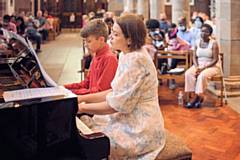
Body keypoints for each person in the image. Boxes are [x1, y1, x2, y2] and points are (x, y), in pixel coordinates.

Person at [77, 14, 165, 159]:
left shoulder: (136, 60)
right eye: (111, 32)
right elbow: (114, 91)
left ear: (129, 39)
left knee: (96, 141)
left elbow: (116, 105)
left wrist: (81, 107)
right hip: (128, 114)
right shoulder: (125, 54)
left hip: (141, 127)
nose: (110, 37)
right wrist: (81, 99)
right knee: (89, 126)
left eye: (116, 34)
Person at [64, 19, 118, 95]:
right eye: (85, 41)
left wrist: (70, 92)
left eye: (89, 41)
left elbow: (100, 91)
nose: (86, 44)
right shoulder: (97, 55)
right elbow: (86, 84)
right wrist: (64, 88)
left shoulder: (109, 59)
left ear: (101, 40)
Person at [185, 23, 220, 108]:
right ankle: (195, 96)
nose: (203, 33)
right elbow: (194, 56)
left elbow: (215, 60)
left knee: (202, 76)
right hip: (199, 64)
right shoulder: (197, 42)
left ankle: (197, 97)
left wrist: (203, 68)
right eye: (202, 31)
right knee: (188, 74)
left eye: (206, 32)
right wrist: (197, 67)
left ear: (210, 34)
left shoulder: (214, 43)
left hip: (211, 66)